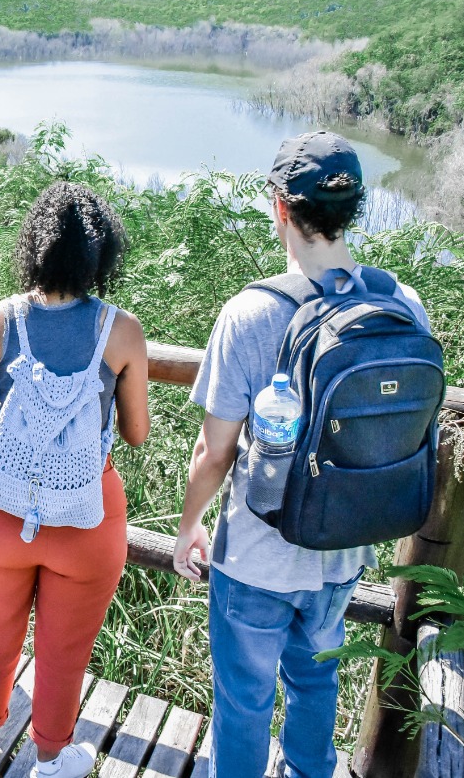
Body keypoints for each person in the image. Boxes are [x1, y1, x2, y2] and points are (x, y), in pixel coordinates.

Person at [172, 132, 431, 776]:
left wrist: (187, 526)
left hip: (257, 555)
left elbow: (215, 448)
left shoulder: (251, 312)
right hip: (344, 549)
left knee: (244, 700)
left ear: (281, 209)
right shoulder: (402, 304)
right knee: (316, 681)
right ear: (355, 210)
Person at [0, 182, 150, 778]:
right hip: (86, 519)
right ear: (101, 257)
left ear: (33, 249)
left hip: (0, 517)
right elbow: (136, 433)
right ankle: (50, 756)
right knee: (63, 654)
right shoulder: (122, 332)